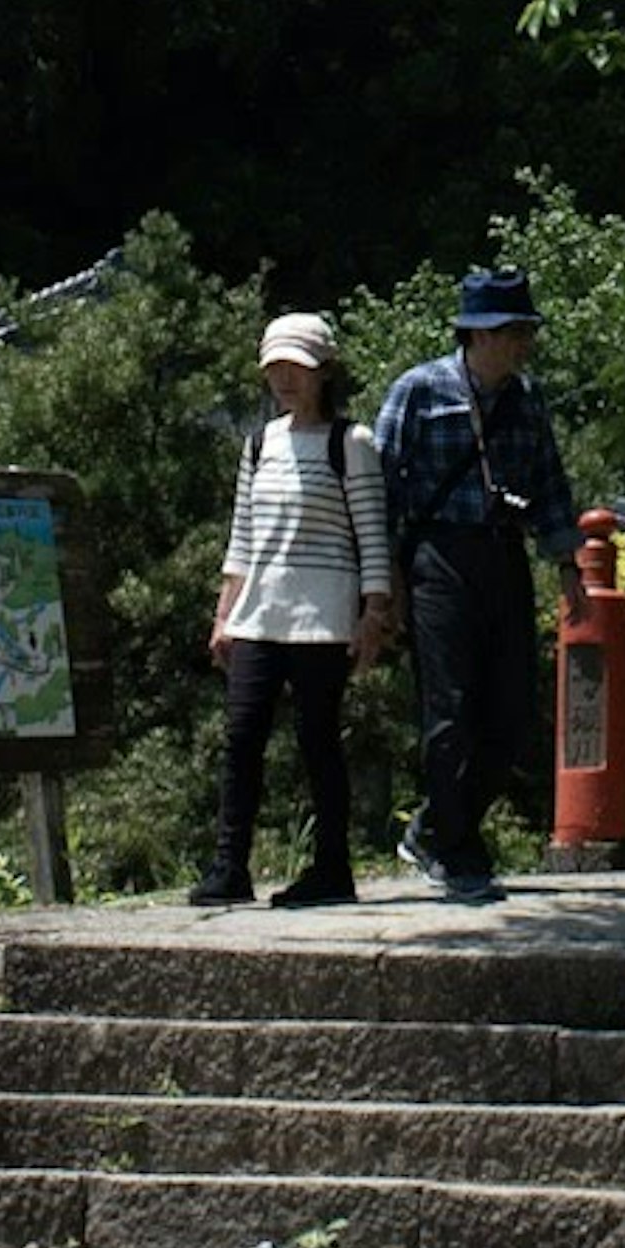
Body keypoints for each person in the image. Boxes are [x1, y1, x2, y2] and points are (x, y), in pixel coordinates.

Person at [375, 258, 585, 906]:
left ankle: (437, 824)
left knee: (515, 710)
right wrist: (381, 582)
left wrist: (568, 565)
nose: (523, 342)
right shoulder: (419, 390)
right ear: (478, 334)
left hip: (504, 554)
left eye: (525, 328)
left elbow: (549, 482)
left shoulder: (526, 400)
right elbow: (379, 485)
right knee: (451, 708)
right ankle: (459, 848)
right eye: (513, 329)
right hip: (437, 557)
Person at [199, 312, 396, 908]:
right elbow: (242, 538)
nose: (285, 379)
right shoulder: (260, 444)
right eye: (275, 367)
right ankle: (230, 865)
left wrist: (373, 616)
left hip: (324, 616)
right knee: (241, 738)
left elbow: (372, 536)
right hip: (259, 613)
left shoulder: (351, 444)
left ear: (324, 372)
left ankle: (332, 867)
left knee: (317, 740)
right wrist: (223, 615)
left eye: (297, 367)